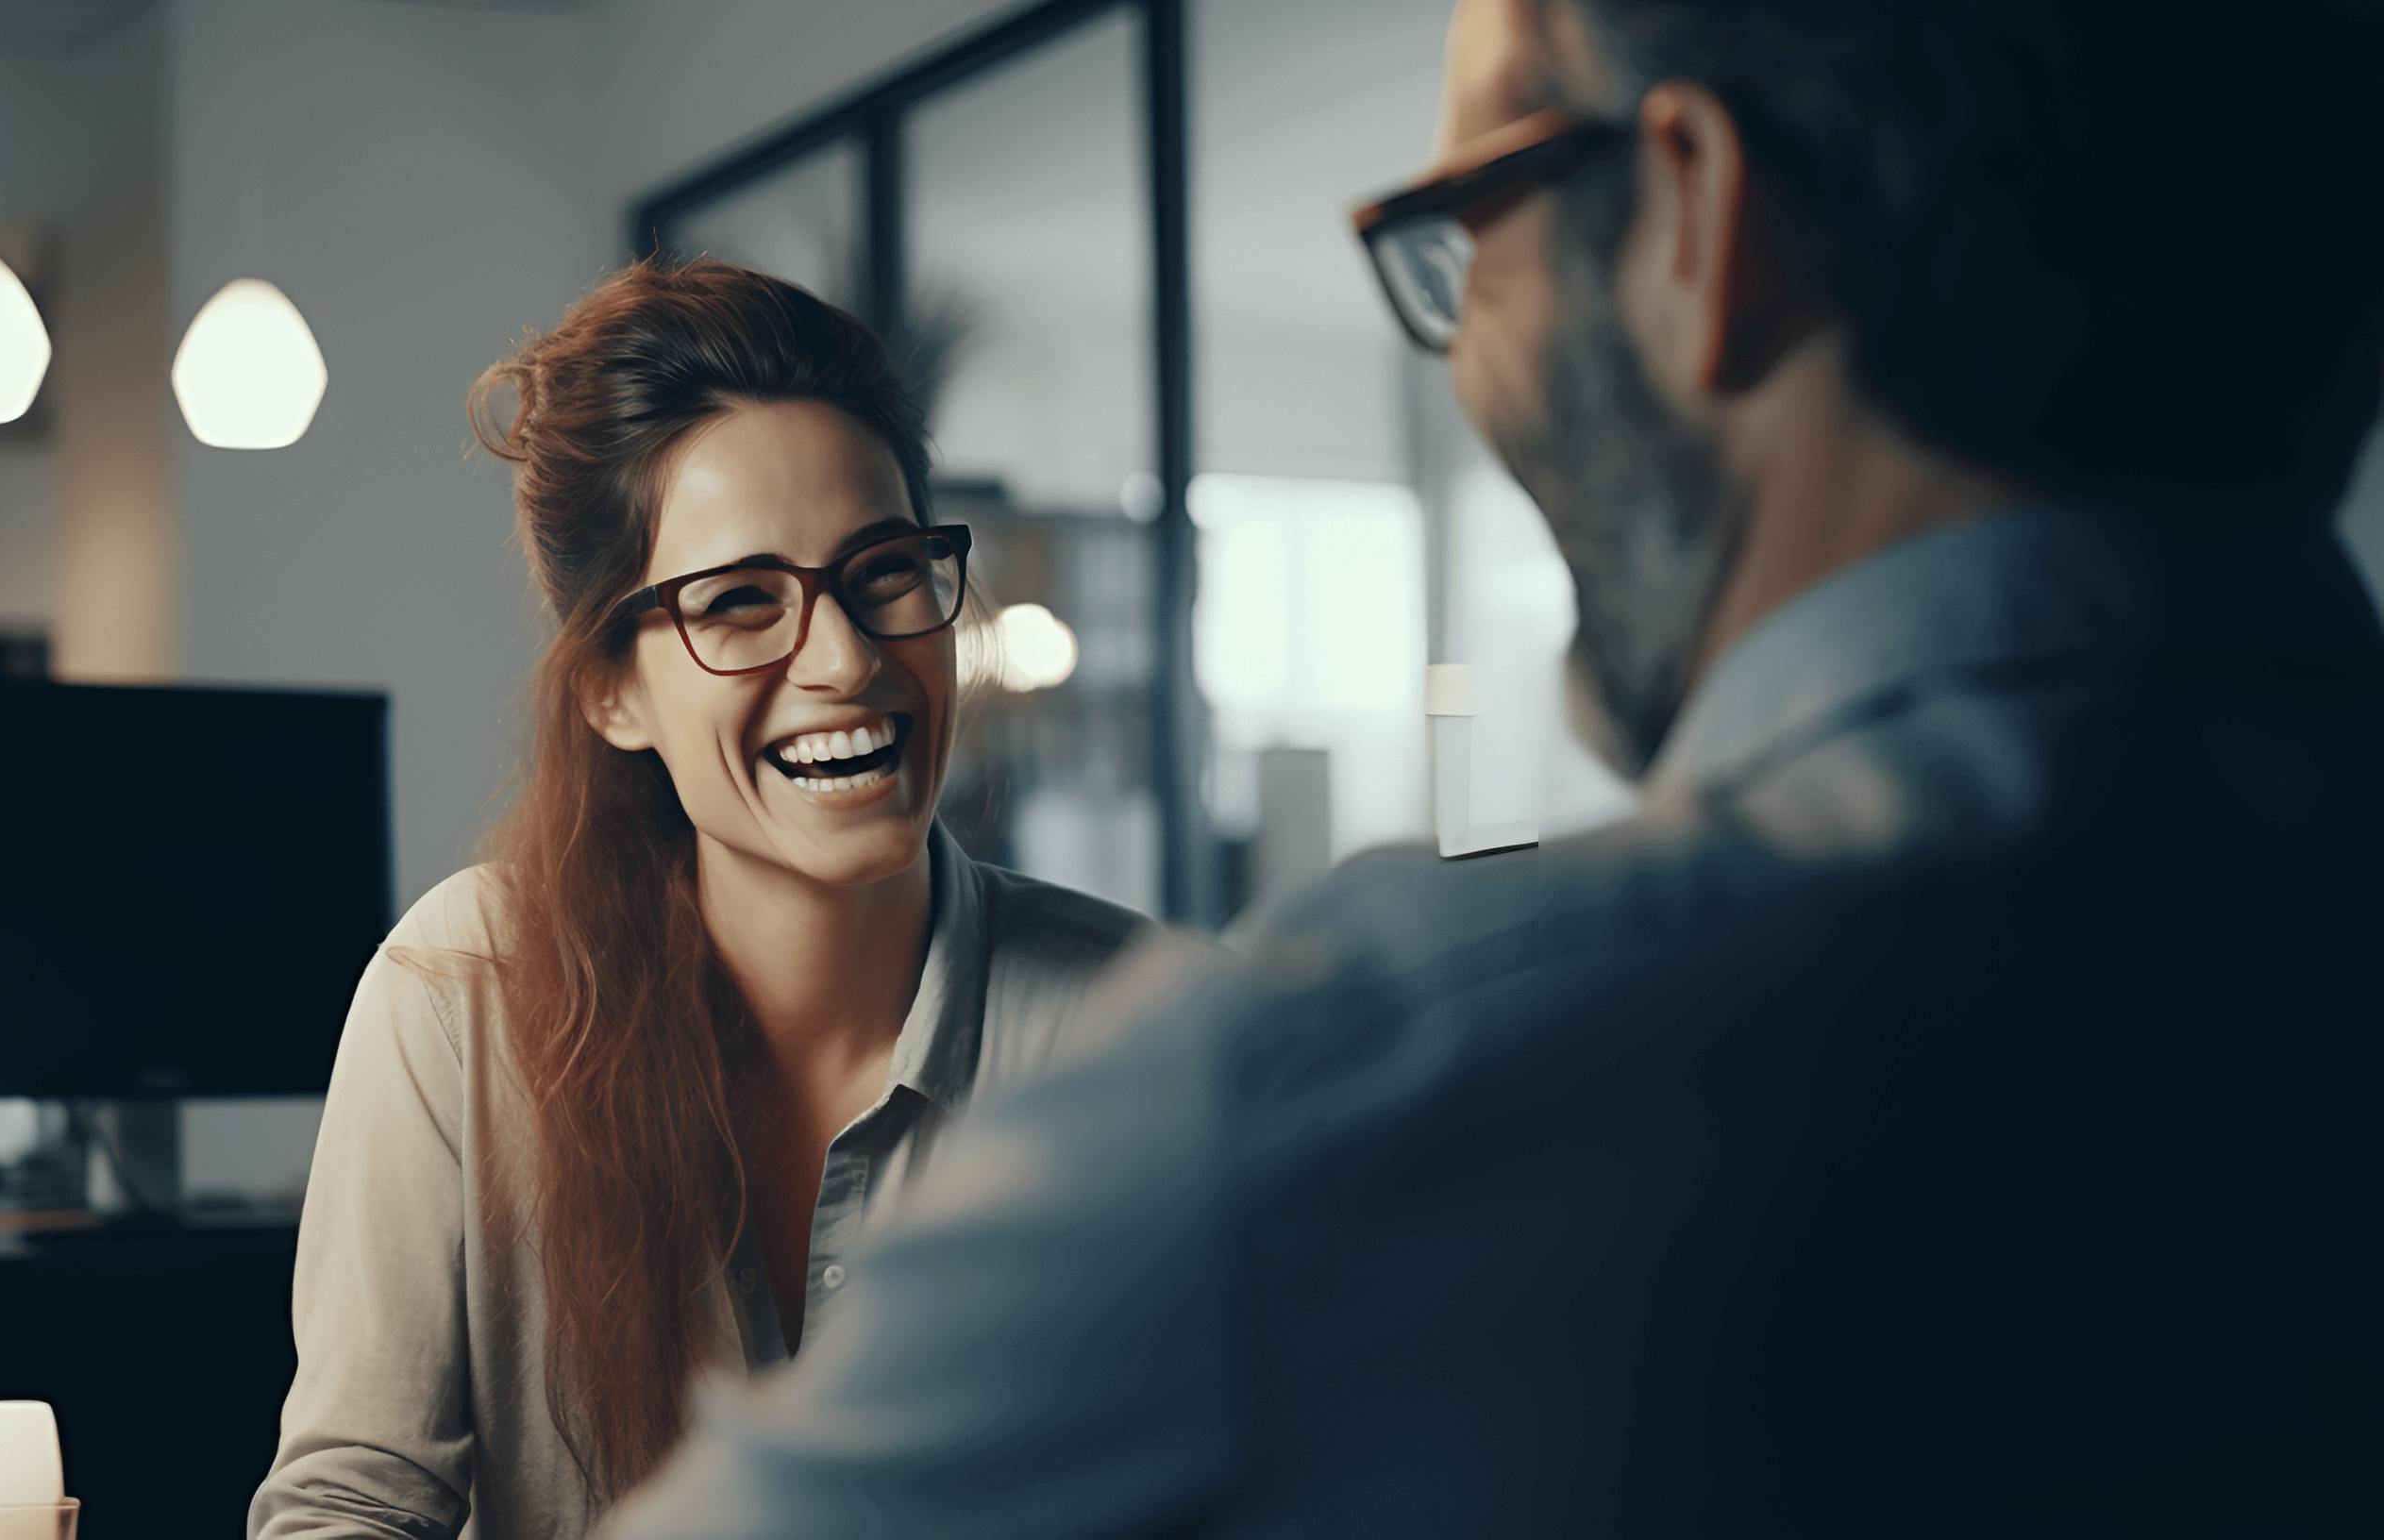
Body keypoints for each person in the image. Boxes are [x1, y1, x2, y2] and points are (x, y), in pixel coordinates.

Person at [600, 1, 2384, 1534]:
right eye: (737, 601)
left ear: (1697, 217)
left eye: (1476, 219)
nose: (1463, 354)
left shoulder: (1359, 1097)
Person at [249, 259, 1150, 1538]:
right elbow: (349, 1504)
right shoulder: (459, 995)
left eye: (885, 571)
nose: (844, 660)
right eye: (739, 602)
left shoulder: (1141, 1030)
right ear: (613, 690)